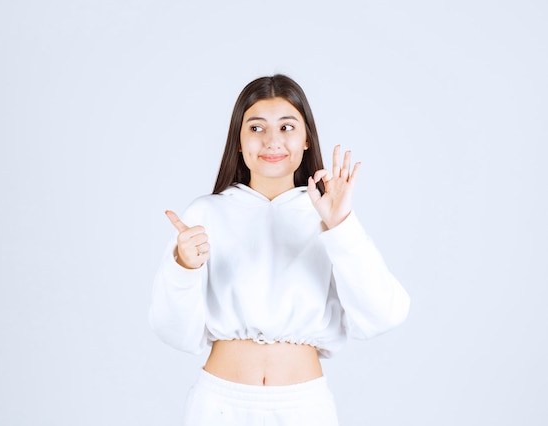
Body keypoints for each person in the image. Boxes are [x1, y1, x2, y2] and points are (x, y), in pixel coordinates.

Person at [149, 74, 410, 426]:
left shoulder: (328, 214)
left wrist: (341, 226)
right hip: (220, 406)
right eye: (256, 129)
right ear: (238, 143)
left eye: (287, 127)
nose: (272, 140)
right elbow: (172, 330)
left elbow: (383, 314)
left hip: (303, 407)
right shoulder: (205, 214)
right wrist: (183, 267)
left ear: (306, 140)